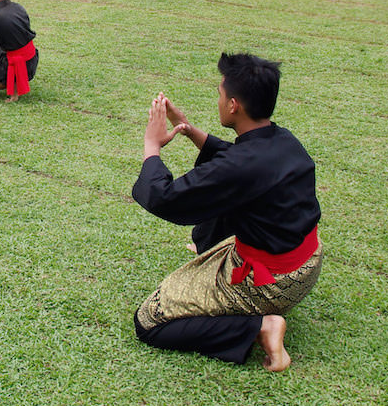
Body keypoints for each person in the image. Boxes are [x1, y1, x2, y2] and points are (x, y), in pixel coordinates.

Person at [132, 54, 322, 372]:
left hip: (272, 282)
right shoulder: (283, 140)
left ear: (233, 105)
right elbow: (238, 159)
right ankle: (214, 254)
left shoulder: (240, 168)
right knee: (223, 200)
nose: (218, 100)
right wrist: (189, 130)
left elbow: (164, 197)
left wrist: (152, 147)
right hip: (307, 262)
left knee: (150, 320)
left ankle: (262, 327)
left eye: (220, 94)